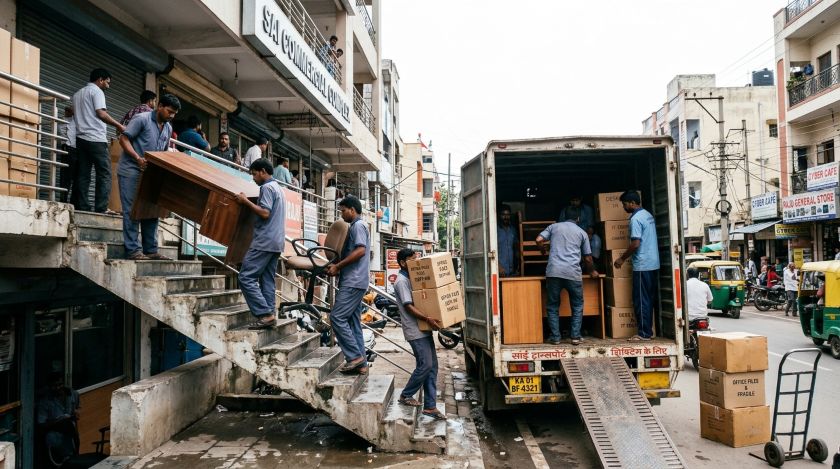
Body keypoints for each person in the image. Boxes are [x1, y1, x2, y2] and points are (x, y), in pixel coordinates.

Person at [117, 93, 181, 260]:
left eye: (174, 113)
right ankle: (133, 250)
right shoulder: (141, 119)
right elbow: (123, 139)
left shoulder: (168, 127)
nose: (171, 115)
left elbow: (163, 152)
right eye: (169, 111)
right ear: (159, 106)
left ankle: (151, 250)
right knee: (131, 211)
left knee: (151, 211)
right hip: (131, 170)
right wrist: (138, 158)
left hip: (151, 174)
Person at [392, 249, 446, 420]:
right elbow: (408, 306)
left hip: (424, 328)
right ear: (402, 263)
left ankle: (430, 406)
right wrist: (428, 318)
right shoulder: (401, 281)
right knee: (425, 365)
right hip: (415, 330)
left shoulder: (411, 278)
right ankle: (406, 395)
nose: (416, 262)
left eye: (416, 259)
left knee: (432, 366)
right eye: (411, 260)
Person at [236, 158, 286, 329]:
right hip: (276, 242)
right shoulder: (278, 188)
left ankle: (264, 314)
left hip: (264, 241)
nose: (253, 178)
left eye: (254, 173)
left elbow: (265, 213)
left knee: (245, 277)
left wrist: (245, 201)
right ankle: (270, 314)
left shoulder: (266, 188)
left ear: (263, 171)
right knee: (267, 280)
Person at [536, 214, 598, 346]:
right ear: (578, 219)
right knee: (577, 305)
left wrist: (542, 250)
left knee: (552, 306)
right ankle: (575, 336)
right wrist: (592, 271)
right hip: (573, 273)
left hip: (554, 272)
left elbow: (538, 239)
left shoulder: (553, 227)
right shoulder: (582, 232)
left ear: (564, 217)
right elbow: (588, 258)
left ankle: (555, 337)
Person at [325, 196, 370, 374]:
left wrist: (338, 266)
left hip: (354, 281)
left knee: (336, 317)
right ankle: (363, 364)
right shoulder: (357, 226)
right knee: (353, 323)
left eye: (343, 210)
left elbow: (360, 251)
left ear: (352, 209)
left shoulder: (358, 226)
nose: (342, 214)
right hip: (355, 280)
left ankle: (354, 357)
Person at [72, 68, 126, 213]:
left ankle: (82, 206)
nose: (108, 86)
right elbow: (101, 113)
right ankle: (101, 208)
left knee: (83, 174)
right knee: (105, 173)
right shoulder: (97, 91)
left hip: (80, 139)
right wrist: (119, 125)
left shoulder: (77, 94)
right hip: (96, 139)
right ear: (100, 80)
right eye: (107, 83)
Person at [613, 190, 659, 341]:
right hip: (653, 263)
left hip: (642, 265)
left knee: (641, 299)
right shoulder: (648, 215)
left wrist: (621, 259)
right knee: (648, 299)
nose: (624, 207)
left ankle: (644, 334)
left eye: (625, 204)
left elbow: (635, 243)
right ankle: (648, 331)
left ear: (632, 203)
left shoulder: (635, 219)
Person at [36, 372, 80, 465]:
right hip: (55, 435)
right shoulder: (45, 401)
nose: (57, 388)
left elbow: (77, 407)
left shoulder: (72, 394)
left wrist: (76, 412)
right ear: (49, 386)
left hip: (71, 433)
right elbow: (41, 424)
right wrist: (57, 422)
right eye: (54, 386)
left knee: (74, 459)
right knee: (60, 462)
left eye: (60, 384)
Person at [57, 105, 78, 206]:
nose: (70, 112)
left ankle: (74, 201)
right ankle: (63, 200)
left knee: (76, 177)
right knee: (66, 177)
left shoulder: (76, 120)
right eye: (68, 110)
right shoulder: (62, 121)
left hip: (76, 150)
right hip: (67, 149)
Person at [497, 204, 519, 277]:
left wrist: (518, 265)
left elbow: (516, 248)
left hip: (512, 271)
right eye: (503, 214)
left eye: (508, 214)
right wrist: (498, 267)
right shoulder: (495, 230)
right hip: (499, 270)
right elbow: (491, 250)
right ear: (499, 215)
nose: (506, 217)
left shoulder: (513, 230)